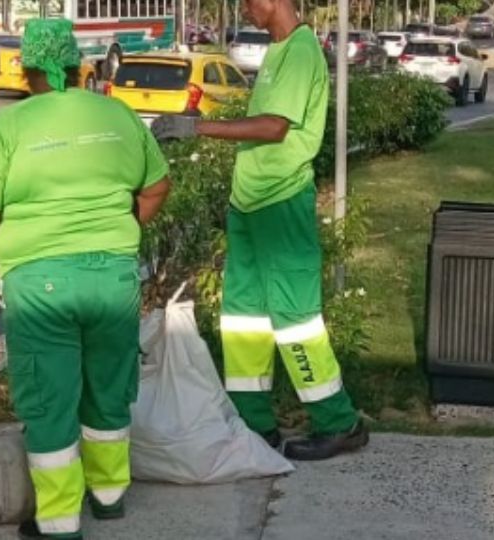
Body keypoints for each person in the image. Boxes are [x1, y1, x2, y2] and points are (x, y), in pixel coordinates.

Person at [0, 19, 170, 540]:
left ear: (28, 71)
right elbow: (157, 187)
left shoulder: (8, 126)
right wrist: (117, 231)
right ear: (78, 68)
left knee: (50, 399)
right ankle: (110, 495)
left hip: (40, 284)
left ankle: (58, 520)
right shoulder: (117, 114)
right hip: (113, 277)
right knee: (107, 386)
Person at [151, 0, 368, 461]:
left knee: (294, 319)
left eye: (248, 2)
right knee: (242, 317)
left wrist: (197, 127)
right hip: (248, 203)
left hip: (281, 202)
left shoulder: (300, 51)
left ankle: (339, 422)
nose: (244, 10)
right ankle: (253, 424)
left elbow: (273, 128)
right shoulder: (278, 49)